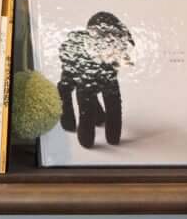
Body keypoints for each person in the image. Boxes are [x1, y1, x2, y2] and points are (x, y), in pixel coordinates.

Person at [58, 9, 135, 151]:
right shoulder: (76, 52)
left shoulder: (111, 64)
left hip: (104, 72)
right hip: (82, 73)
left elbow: (114, 105)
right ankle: (72, 124)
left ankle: (112, 134)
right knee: (72, 90)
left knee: (112, 100)